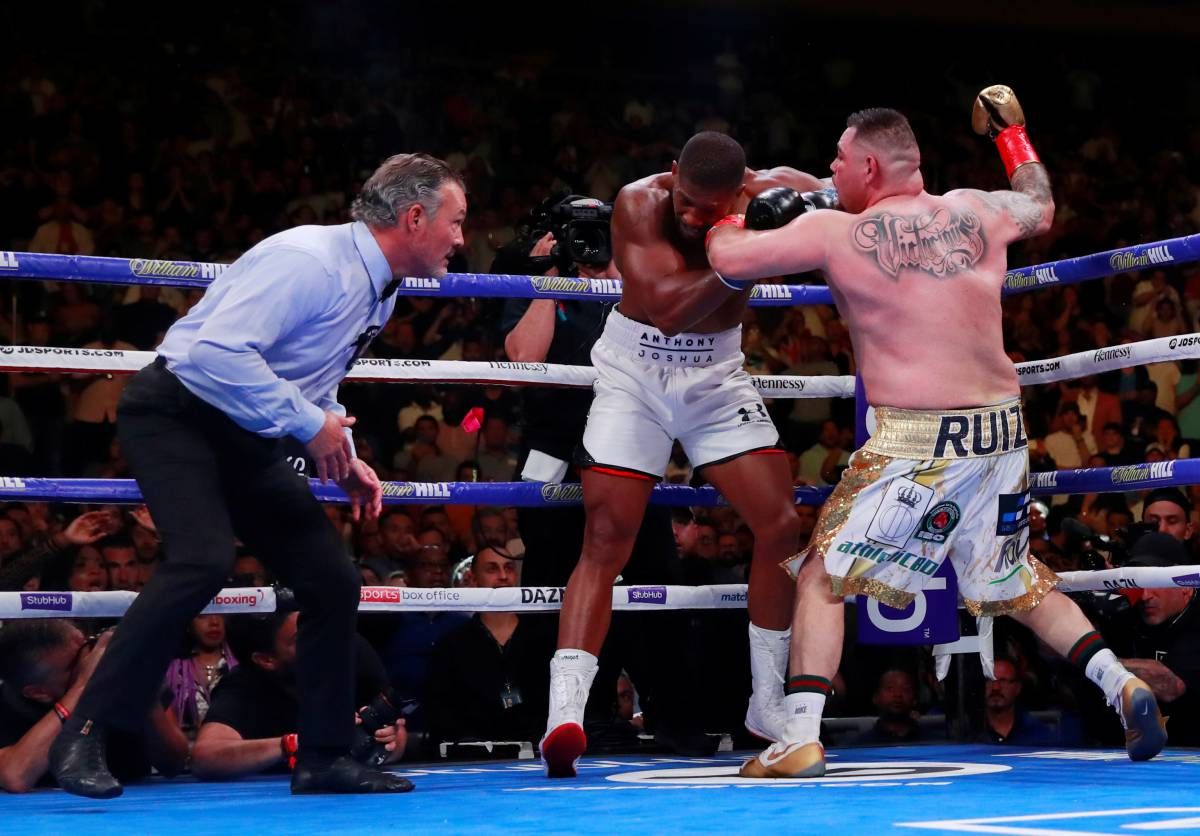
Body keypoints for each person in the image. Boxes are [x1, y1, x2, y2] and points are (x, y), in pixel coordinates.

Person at [707, 89, 1166, 777]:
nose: (831, 169)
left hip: (918, 438)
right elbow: (1039, 203)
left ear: (868, 167)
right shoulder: (977, 210)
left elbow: (728, 258)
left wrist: (731, 207)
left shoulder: (833, 234)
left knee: (823, 574)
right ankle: (1121, 683)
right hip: (1000, 430)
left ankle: (799, 734)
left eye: (838, 159)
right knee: (1012, 576)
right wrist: (1012, 133)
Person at [48, 153, 466, 798]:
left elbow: (313, 379)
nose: (460, 239)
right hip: (178, 414)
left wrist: (342, 451)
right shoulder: (308, 261)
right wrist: (308, 424)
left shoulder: (379, 289)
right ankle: (83, 730)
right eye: (455, 221)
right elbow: (213, 353)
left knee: (331, 579)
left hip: (247, 435)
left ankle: (323, 756)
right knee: (202, 559)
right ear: (414, 218)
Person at [541, 131, 832, 777]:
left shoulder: (768, 190)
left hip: (716, 377)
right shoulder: (639, 202)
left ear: (741, 189)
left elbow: (851, 198)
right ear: (673, 175)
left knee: (781, 524)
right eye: (689, 202)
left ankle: (766, 702)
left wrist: (821, 207)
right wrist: (745, 254)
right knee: (605, 537)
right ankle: (564, 715)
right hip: (636, 374)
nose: (696, 217)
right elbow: (668, 309)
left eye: (711, 208)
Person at [191, 612, 406, 778]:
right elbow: (205, 756)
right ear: (266, 660)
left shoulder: (349, 651)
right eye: (302, 637)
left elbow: (397, 734)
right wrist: (294, 744)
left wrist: (387, 742)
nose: (319, 641)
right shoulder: (244, 684)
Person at [0, 621, 187, 793]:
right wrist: (84, 685)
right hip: (44, 815)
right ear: (38, 692)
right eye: (76, 663)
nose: (92, 657)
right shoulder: (7, 706)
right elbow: (15, 776)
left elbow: (173, 764)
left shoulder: (122, 670)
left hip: (136, 808)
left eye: (88, 643)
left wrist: (144, 691)